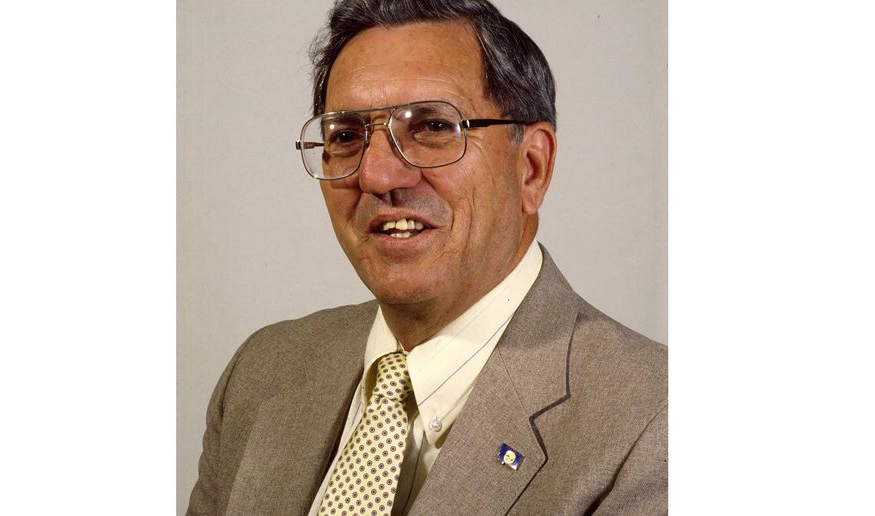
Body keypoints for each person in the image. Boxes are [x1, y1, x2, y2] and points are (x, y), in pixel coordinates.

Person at [187, 0, 666, 514]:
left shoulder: (656, 424)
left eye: (433, 127)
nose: (376, 175)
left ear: (530, 168)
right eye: (346, 136)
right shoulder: (262, 372)